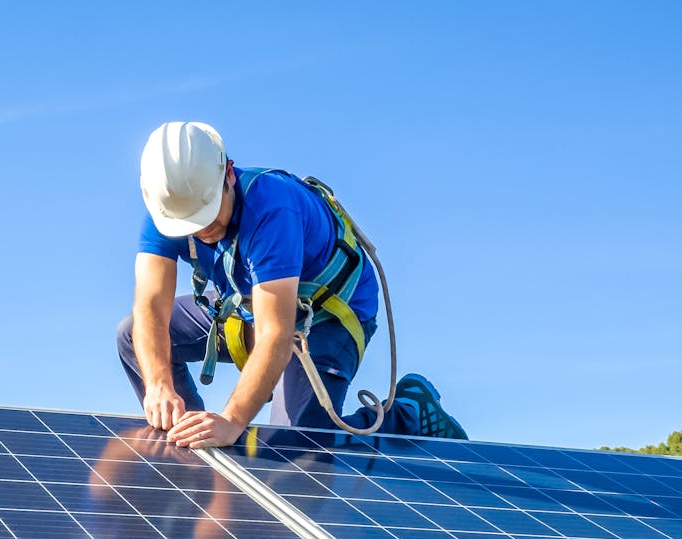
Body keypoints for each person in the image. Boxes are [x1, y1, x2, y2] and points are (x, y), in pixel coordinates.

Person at [116, 121, 467, 448]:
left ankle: (407, 416)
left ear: (229, 174)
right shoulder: (169, 208)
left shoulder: (272, 211)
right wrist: (159, 383)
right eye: (187, 223)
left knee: (294, 448)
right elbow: (150, 306)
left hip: (325, 314)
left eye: (206, 214)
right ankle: (194, 447)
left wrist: (232, 420)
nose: (199, 230)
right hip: (247, 303)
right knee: (134, 336)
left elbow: (275, 335)